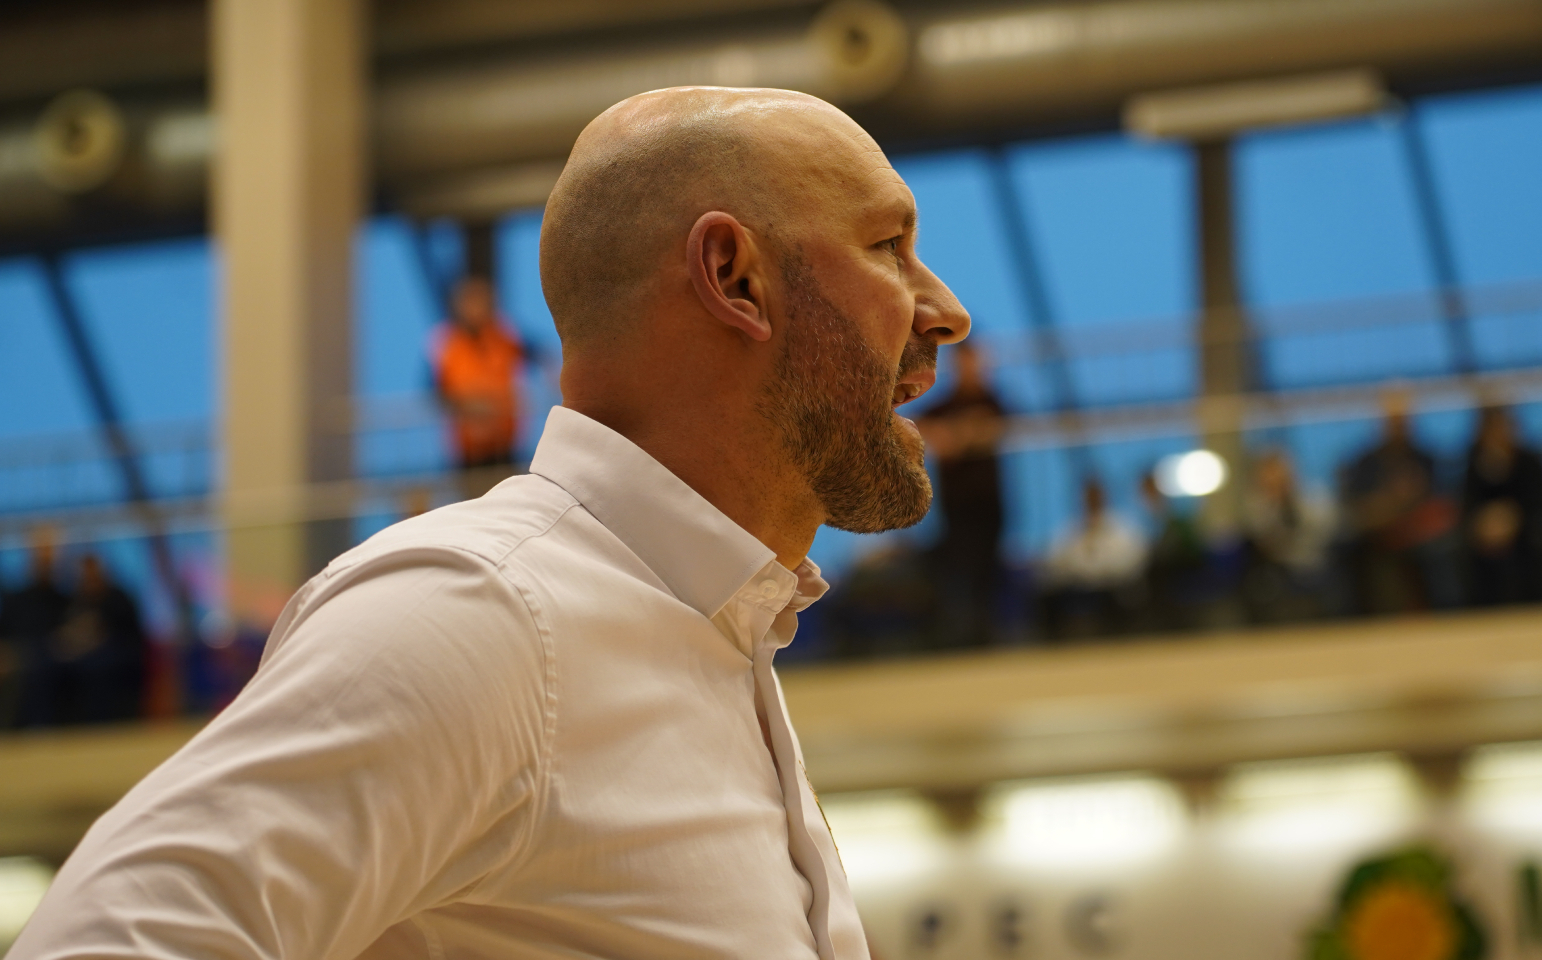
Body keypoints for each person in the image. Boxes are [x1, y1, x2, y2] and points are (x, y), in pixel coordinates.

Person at [15, 87, 970, 960]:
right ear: (733, 278)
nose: (948, 312)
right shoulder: (481, 614)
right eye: (889, 247)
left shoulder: (707, 631)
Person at [918, 341, 1007, 647]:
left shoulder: (993, 401)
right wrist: (941, 435)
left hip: (989, 500)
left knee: (987, 567)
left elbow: (995, 426)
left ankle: (986, 630)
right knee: (958, 566)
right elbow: (918, 425)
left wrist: (961, 434)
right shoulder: (945, 405)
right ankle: (960, 632)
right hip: (957, 503)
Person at [1338, 391, 1458, 614]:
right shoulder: (1365, 462)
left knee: (1444, 549)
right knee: (1348, 548)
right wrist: (1391, 502)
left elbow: (1443, 504)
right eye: (1393, 421)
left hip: (1422, 534)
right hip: (1379, 533)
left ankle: (1448, 612)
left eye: (1403, 420)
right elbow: (1356, 509)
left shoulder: (1426, 458)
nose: (1399, 426)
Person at [431, 274, 531, 495]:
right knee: (472, 502)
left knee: (508, 501)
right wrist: (467, 408)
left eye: (481, 301)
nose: (475, 308)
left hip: (505, 445)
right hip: (468, 450)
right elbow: (434, 393)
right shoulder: (446, 342)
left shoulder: (505, 335)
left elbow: (536, 355)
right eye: (470, 301)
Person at [1460, 405, 1542, 606]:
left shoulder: (1531, 462)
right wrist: (1486, 523)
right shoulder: (1474, 464)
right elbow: (1468, 504)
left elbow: (1538, 503)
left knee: (1534, 546)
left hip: (1524, 528)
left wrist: (1511, 520)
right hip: (1485, 533)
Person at [41, 553, 147, 725]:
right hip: (79, 658)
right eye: (84, 575)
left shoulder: (118, 598)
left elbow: (128, 637)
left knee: (99, 668)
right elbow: (63, 635)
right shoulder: (75, 601)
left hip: (117, 658)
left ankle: (105, 722)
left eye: (92, 573)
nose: (88, 579)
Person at [1038, 478, 1147, 638]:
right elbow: (1056, 561)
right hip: (1080, 589)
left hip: (1113, 590)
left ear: (1105, 497)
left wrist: (1100, 571)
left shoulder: (1122, 527)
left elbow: (1131, 560)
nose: (1092, 500)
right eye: (1089, 496)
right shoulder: (1072, 530)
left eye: (1096, 496)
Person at [1239, 449, 1334, 623]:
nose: (1275, 478)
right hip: (1279, 571)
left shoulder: (1311, 498)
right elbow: (1264, 539)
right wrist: (1276, 504)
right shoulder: (1256, 505)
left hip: (1314, 565)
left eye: (1278, 472)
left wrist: (1289, 503)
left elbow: (1322, 531)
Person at [0, 527, 67, 729]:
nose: (45, 561)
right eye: (40, 555)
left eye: (49, 556)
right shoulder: (17, 599)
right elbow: (5, 633)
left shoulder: (63, 599)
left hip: (52, 656)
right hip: (19, 655)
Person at [1139, 470, 1208, 632]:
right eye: (1146, 491)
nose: (1150, 495)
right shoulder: (1139, 519)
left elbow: (1192, 549)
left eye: (1152, 489)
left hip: (1177, 572)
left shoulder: (1176, 518)